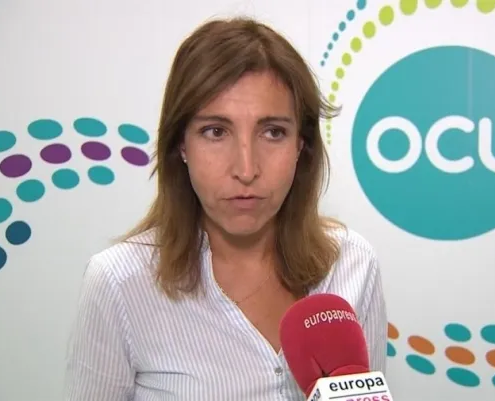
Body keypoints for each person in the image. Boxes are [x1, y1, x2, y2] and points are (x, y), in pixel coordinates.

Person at [63, 16, 388, 400]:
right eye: (215, 132)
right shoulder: (118, 283)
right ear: (181, 145)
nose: (246, 169)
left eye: (273, 132)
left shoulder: (352, 264)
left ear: (301, 146)